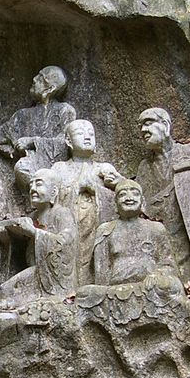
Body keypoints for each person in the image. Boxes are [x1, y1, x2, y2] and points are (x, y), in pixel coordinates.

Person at [0, 60, 76, 189]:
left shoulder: (65, 110)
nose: (34, 79)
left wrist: (33, 142)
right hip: (29, 167)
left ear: (50, 89)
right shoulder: (22, 115)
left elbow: (65, 143)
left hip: (57, 169)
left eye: (40, 78)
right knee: (22, 167)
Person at [49, 119, 121, 285]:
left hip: (97, 228)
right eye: (80, 133)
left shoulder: (104, 168)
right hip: (69, 229)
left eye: (91, 134)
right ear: (68, 141)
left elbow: (129, 196)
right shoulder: (59, 169)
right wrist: (76, 188)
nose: (87, 137)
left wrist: (111, 185)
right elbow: (49, 201)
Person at [0, 169, 77, 304]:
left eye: (39, 184)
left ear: (53, 192)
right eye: (31, 185)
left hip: (50, 277)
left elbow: (66, 245)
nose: (32, 189)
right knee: (4, 290)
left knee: (7, 293)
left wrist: (34, 232)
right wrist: (6, 237)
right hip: (34, 269)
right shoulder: (32, 217)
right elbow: (20, 248)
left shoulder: (62, 213)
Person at [134, 107, 190, 282]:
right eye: (141, 126)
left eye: (148, 123)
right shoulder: (144, 167)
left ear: (166, 126)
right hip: (159, 234)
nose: (143, 130)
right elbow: (140, 204)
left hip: (186, 227)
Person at [93, 178, 181, 289]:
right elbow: (101, 274)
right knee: (87, 293)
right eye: (122, 194)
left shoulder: (156, 228)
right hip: (116, 289)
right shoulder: (105, 230)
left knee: (173, 286)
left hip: (151, 287)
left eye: (135, 194)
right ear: (115, 204)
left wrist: (157, 274)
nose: (129, 198)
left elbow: (169, 264)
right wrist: (104, 290)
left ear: (142, 201)